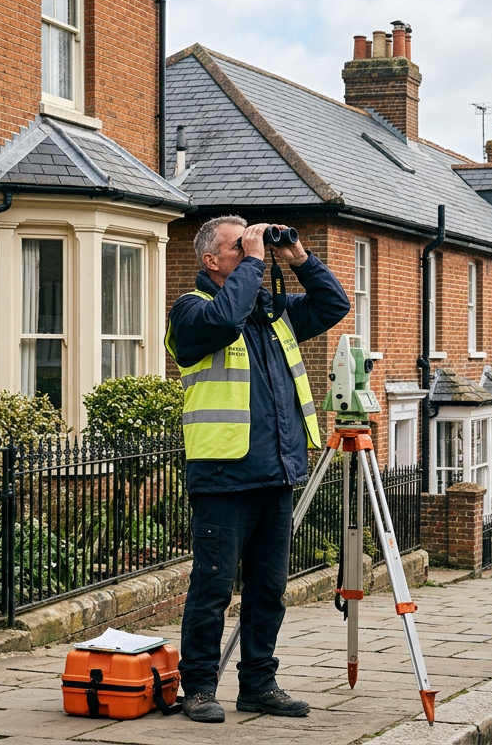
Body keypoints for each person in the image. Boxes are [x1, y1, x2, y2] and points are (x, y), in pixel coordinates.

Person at [166, 215, 350, 724]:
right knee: (213, 588)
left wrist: (298, 258)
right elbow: (226, 320)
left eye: (252, 244)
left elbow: (334, 305)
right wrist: (254, 260)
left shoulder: (273, 312)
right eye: (238, 246)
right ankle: (199, 688)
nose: (253, 251)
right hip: (223, 478)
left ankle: (258, 684)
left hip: (277, 474)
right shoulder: (190, 312)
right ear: (211, 260)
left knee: (268, 591)